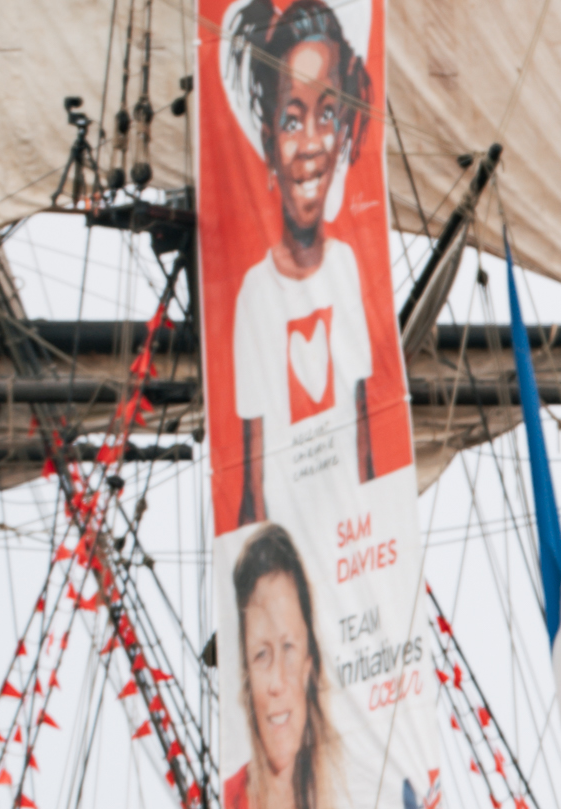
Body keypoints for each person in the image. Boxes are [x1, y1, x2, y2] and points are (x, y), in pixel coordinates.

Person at [222, 0, 380, 530]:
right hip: (282, 565)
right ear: (268, 144)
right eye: (292, 120)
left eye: (328, 114)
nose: (312, 144)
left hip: (350, 548)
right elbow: (252, 480)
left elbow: (364, 445)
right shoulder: (253, 296)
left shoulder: (348, 267)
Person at [216, 526, 340, 809]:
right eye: (260, 655)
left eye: (288, 648)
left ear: (309, 663)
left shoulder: (341, 798)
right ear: (245, 677)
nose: (275, 683)